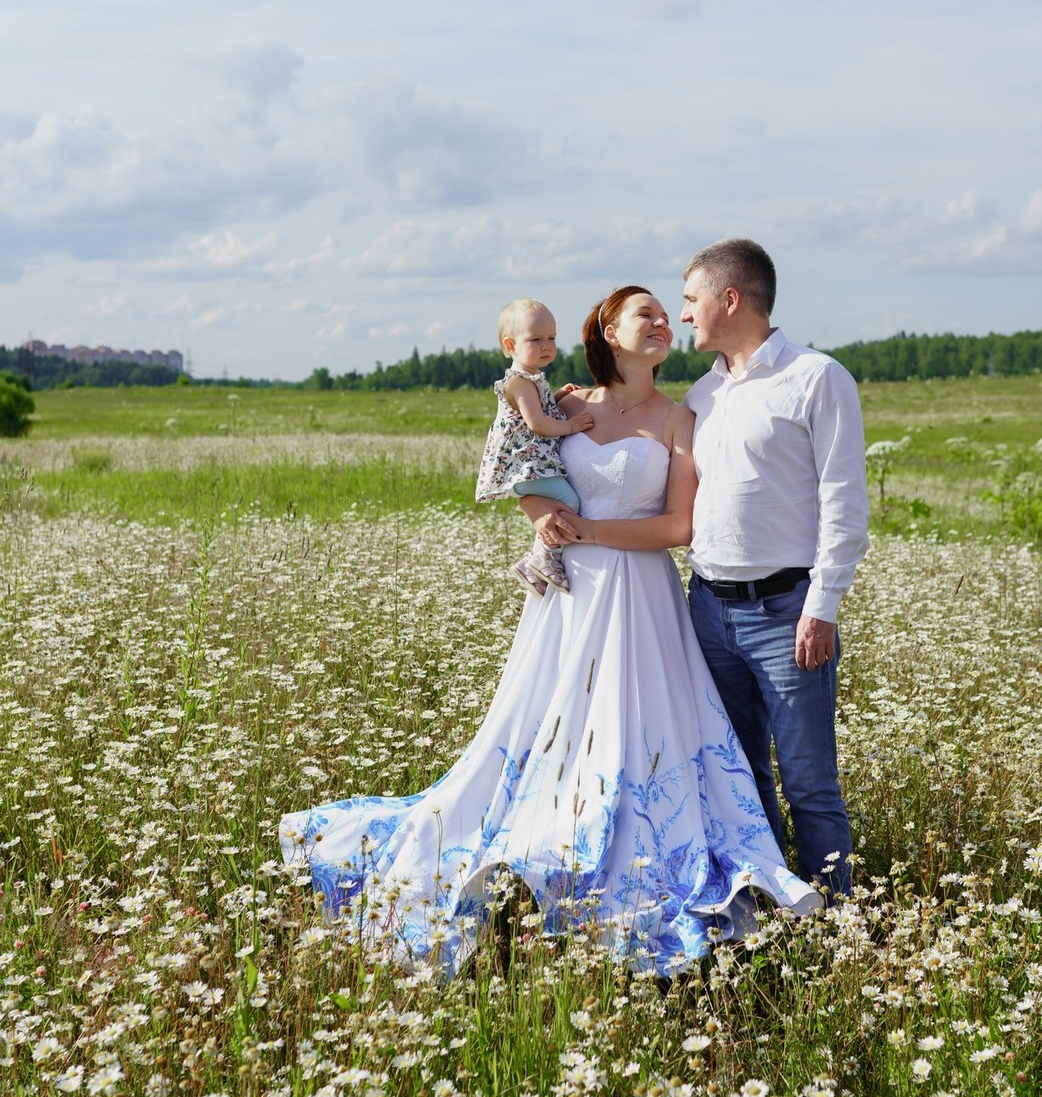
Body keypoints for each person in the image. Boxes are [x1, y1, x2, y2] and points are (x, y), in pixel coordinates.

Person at [279, 285, 821, 976]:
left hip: (643, 595)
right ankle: (545, 836)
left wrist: (591, 530)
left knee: (643, 727)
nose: (661, 323)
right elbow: (521, 466)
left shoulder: (681, 419)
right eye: (645, 315)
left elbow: (679, 528)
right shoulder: (563, 404)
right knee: (550, 720)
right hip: (570, 596)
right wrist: (540, 516)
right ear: (608, 331)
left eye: (666, 315)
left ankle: (637, 856)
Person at [679, 239, 870, 898]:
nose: (683, 316)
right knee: (741, 775)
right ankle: (768, 904)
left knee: (810, 780)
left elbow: (844, 501)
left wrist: (823, 606)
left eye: (690, 299)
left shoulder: (817, 377)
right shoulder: (701, 394)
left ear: (729, 299)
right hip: (706, 609)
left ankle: (839, 927)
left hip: (787, 612)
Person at [475, 298, 594, 596]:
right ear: (511, 345)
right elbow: (537, 423)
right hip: (526, 465)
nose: (546, 345)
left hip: (530, 462)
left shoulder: (530, 380)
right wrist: (571, 425)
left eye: (551, 338)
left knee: (564, 502)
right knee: (570, 502)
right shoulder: (520, 382)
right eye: (536, 339)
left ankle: (537, 563)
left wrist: (557, 394)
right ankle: (541, 558)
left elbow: (538, 408)